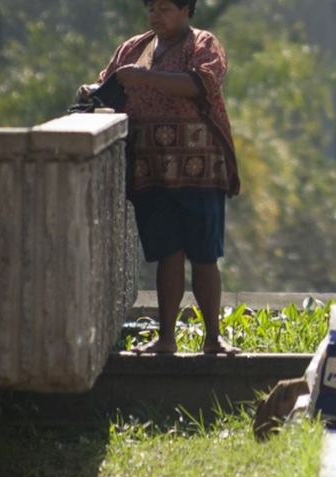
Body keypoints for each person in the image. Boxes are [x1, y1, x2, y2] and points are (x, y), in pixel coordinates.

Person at [76, 0, 240, 355]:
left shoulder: (203, 44)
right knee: (168, 253)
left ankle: (213, 339)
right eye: (152, 7)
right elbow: (109, 85)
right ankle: (166, 339)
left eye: (165, 8)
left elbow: (202, 83)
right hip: (152, 169)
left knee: (204, 256)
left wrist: (145, 77)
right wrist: (89, 91)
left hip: (199, 166)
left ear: (186, 10)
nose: (156, 15)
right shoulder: (133, 48)